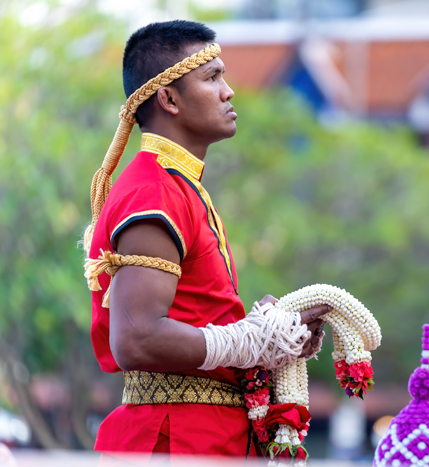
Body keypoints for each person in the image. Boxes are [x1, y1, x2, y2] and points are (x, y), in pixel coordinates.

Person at [85, 20, 329, 462]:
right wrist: (253, 341)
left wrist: (271, 337)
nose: (228, 91)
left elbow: (198, 318)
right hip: (175, 441)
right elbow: (136, 338)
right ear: (169, 98)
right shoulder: (152, 191)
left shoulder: (177, 187)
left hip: (206, 438)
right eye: (212, 77)